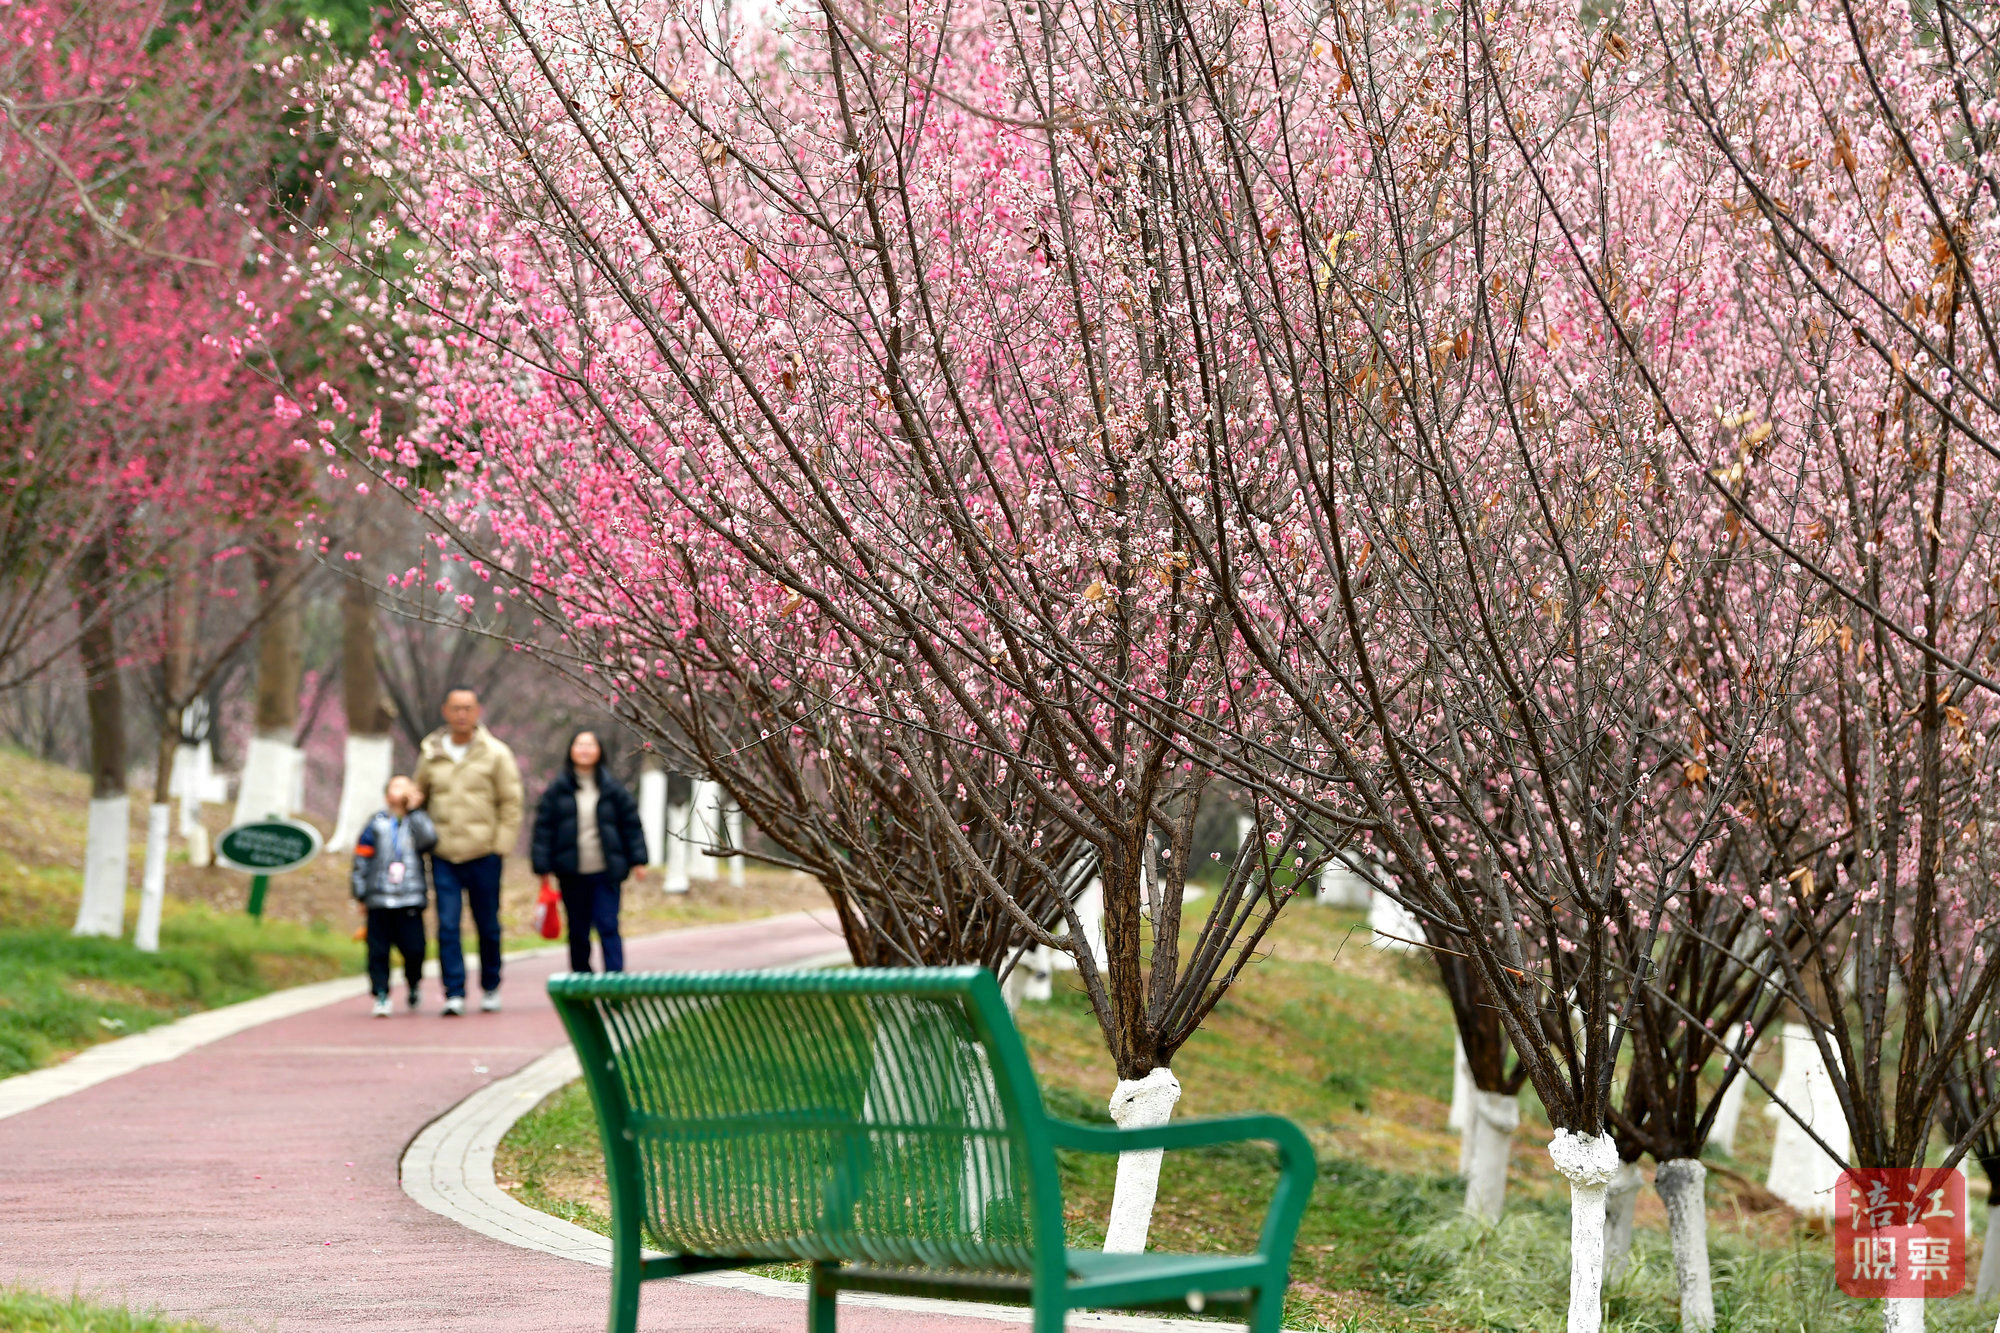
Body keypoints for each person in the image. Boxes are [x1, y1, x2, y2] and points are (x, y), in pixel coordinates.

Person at [414, 686, 524, 1016]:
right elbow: (420, 795)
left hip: (485, 853)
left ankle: (490, 986)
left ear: (477, 712)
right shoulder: (431, 752)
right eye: (456, 708)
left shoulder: (496, 753)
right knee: (447, 925)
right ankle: (454, 992)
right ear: (445, 711)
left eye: (468, 708)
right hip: (444, 854)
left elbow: (511, 802)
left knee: (487, 924)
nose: (461, 714)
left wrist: (501, 846)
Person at [530, 730, 648, 973]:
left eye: (590, 745)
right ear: (571, 750)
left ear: (599, 751)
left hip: (606, 871)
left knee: (608, 925)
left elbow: (631, 825)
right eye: (579, 744)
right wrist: (542, 866)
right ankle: (582, 981)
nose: (584, 749)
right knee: (578, 930)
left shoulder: (613, 789)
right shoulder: (557, 790)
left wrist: (638, 860)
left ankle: (615, 981)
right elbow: (543, 829)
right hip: (571, 872)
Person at [350, 776, 436, 1018]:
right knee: (378, 951)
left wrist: (416, 811)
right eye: (396, 786)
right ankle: (381, 993)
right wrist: (360, 893)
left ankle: (413, 982)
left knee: (415, 949)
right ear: (387, 794)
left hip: (410, 897)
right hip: (378, 898)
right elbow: (361, 859)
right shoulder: (375, 823)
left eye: (406, 786)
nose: (401, 791)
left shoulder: (417, 821)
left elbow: (429, 840)